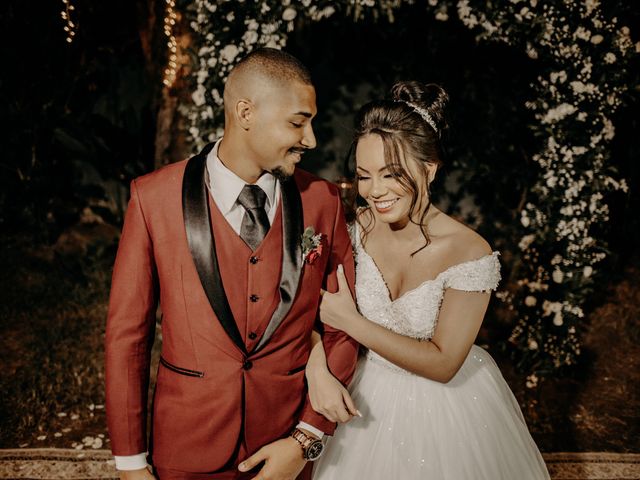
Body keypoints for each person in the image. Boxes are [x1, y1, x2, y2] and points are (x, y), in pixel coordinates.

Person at [104, 48, 359, 480]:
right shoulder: (154, 198)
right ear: (245, 112)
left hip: (285, 448)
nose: (310, 139)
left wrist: (306, 438)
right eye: (298, 122)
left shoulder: (323, 202)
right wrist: (131, 465)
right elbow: (128, 338)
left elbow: (344, 327)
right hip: (186, 449)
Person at [306, 81, 550, 479]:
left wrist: (351, 322)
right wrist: (317, 369)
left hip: (447, 409)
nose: (375, 191)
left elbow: (443, 364)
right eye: (364, 176)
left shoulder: (469, 251)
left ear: (429, 169)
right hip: (360, 392)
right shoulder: (351, 228)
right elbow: (308, 314)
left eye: (391, 174)